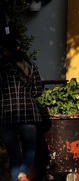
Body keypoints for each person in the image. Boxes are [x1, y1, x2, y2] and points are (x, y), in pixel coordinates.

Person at [0, 37, 43, 181]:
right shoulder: (30, 65)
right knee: (30, 148)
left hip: (5, 115)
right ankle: (23, 173)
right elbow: (38, 91)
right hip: (28, 114)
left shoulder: (1, 68)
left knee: (14, 153)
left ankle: (17, 177)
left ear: (5, 51)